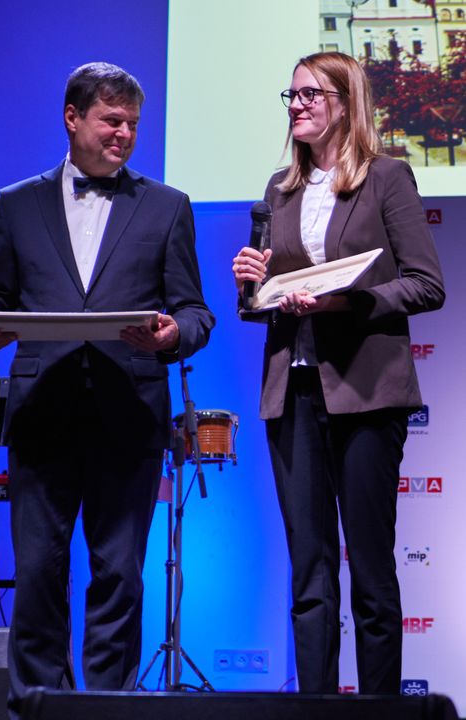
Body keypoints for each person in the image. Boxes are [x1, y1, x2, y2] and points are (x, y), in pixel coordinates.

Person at [0, 61, 214, 717]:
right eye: (111, 120)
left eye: (133, 123)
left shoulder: (167, 206)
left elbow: (195, 312)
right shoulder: (15, 204)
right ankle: (35, 708)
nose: (124, 133)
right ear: (72, 118)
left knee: (119, 577)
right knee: (38, 576)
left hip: (128, 418)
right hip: (42, 416)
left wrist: (171, 336)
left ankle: (107, 711)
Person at [232, 52, 444, 694]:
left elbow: (426, 284)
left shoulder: (387, 178)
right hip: (293, 391)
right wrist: (251, 285)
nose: (296, 105)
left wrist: (346, 302)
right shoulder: (279, 189)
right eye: (291, 96)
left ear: (346, 104)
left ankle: (378, 710)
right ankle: (315, 708)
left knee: (371, 574)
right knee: (310, 573)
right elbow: (258, 305)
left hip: (366, 393)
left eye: (310, 95)